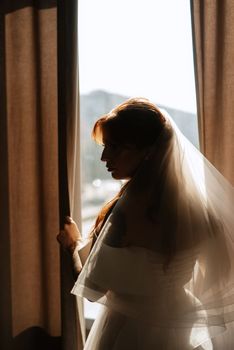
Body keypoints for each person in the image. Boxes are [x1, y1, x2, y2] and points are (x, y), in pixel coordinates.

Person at [57, 98, 234, 349]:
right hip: (181, 322)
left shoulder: (125, 213)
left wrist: (71, 245)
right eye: (106, 146)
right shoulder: (201, 208)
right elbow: (221, 272)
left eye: (116, 147)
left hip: (132, 332)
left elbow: (92, 288)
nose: (104, 157)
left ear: (149, 150)